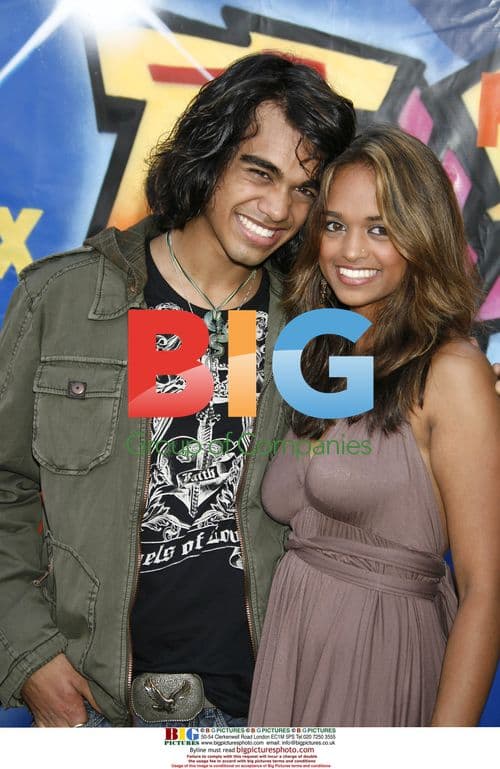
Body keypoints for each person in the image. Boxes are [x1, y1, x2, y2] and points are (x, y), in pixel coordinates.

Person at [0, 53, 357, 727]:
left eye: (306, 189)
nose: (279, 208)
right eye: (260, 170)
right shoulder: (65, 298)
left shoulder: (313, 332)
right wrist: (29, 654)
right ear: (210, 153)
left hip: (261, 713)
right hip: (94, 708)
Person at [248, 125, 500, 727]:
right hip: (292, 651)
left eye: (379, 228)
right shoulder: (326, 353)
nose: (349, 250)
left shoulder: (452, 371)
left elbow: (485, 589)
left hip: (381, 663)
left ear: (422, 236)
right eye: (334, 225)